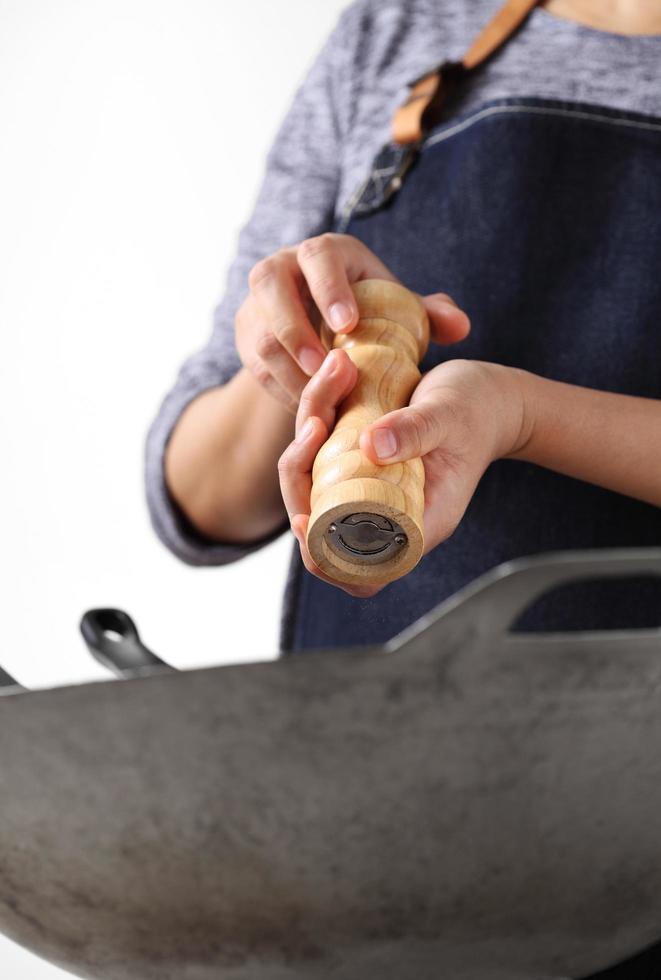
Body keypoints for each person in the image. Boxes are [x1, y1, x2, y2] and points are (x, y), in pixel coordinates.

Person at [146, 0, 661, 657]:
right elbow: (198, 501)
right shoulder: (395, 29)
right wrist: (306, 348)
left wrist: (522, 416)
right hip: (374, 735)